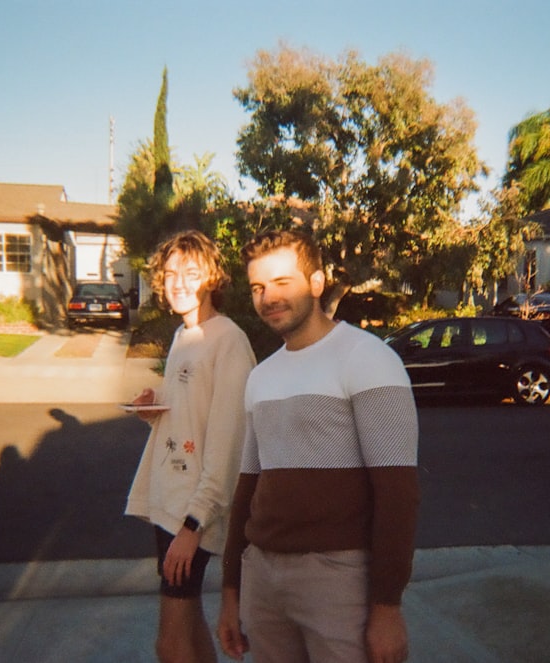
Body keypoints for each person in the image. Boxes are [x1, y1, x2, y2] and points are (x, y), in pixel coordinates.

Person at [217, 229, 420, 663]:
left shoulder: (367, 358)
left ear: (316, 282)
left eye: (281, 282)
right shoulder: (262, 376)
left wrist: (387, 607)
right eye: (258, 287)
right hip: (263, 579)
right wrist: (232, 590)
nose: (268, 296)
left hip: (339, 577)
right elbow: (247, 490)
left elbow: (397, 494)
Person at [125, 229, 256, 663]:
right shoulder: (183, 337)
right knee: (188, 624)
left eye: (191, 272)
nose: (178, 281)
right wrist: (154, 413)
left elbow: (228, 443)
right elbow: (190, 424)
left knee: (170, 641)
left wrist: (192, 527)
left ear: (213, 277)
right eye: (170, 273)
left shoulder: (228, 341)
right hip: (170, 501)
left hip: (193, 513)